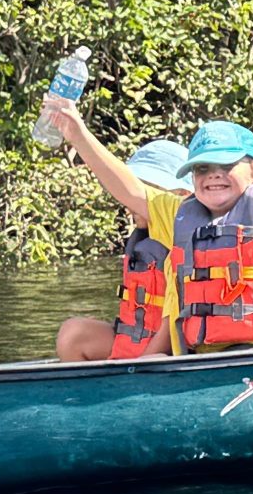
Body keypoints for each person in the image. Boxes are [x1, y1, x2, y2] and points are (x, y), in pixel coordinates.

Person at [50, 111, 253, 350]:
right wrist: (78, 134)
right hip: (194, 356)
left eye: (226, 164)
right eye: (202, 168)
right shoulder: (177, 214)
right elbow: (127, 188)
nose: (213, 175)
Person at [51, 139, 190, 361]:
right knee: (73, 333)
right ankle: (85, 394)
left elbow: (172, 323)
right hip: (136, 343)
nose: (129, 204)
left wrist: (135, 368)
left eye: (143, 192)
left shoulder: (183, 238)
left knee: (154, 359)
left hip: (169, 350)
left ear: (181, 194)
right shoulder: (144, 239)